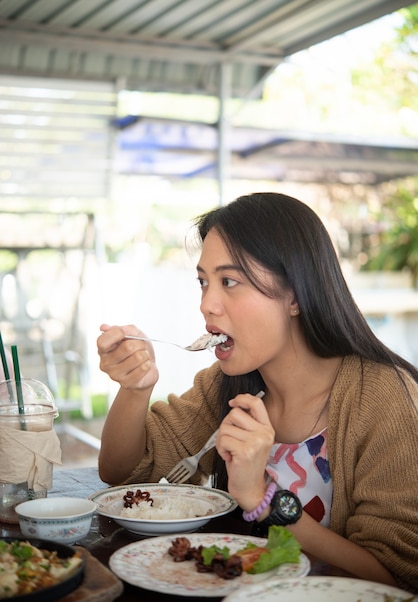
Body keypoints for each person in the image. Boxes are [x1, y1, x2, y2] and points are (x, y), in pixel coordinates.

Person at [97, 192, 418, 593]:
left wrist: (260, 497)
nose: (207, 304)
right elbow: (122, 472)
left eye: (229, 281)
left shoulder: (383, 397)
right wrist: (134, 388)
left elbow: (394, 580)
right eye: (203, 282)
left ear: (296, 295)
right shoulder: (227, 384)